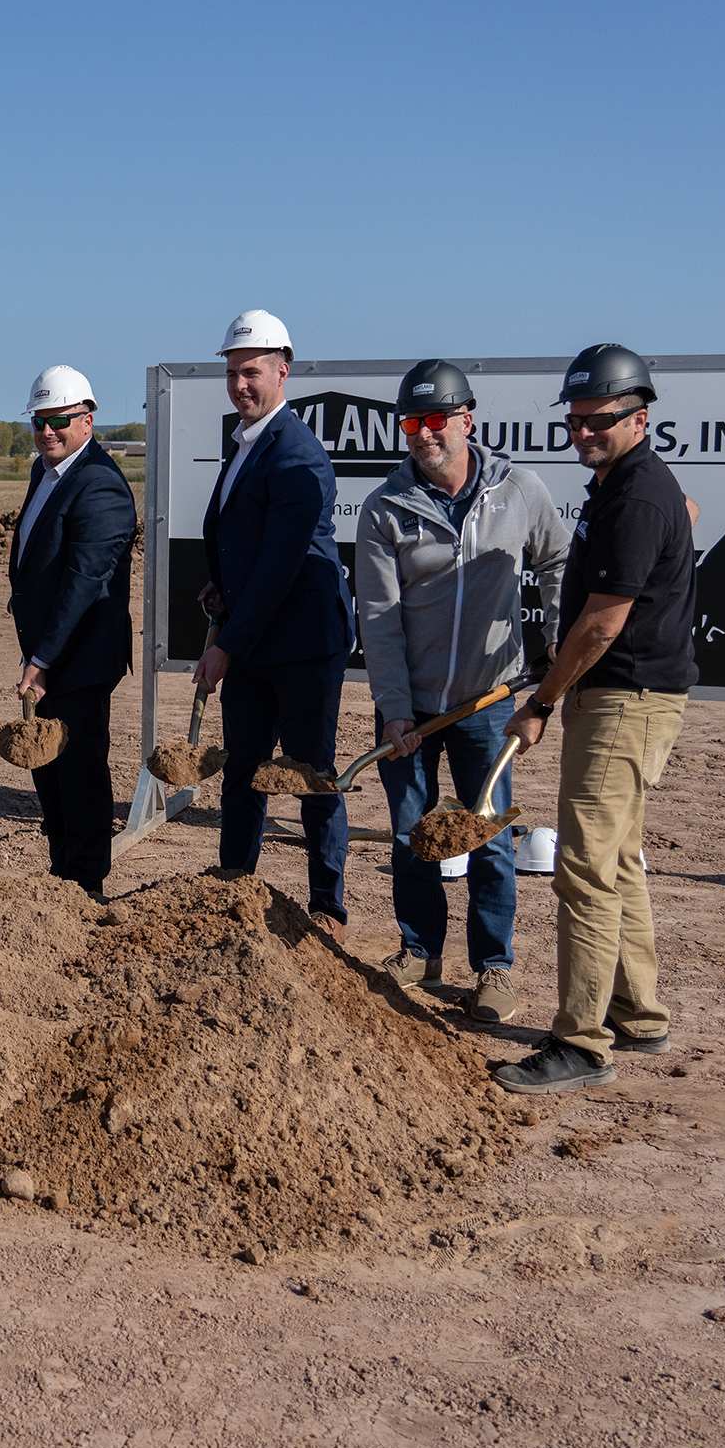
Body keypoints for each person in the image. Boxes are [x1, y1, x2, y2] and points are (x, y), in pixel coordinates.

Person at [494, 343, 699, 1095]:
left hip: (623, 697)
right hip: (629, 696)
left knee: (581, 868)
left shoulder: (638, 495)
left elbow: (601, 625)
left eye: (600, 420)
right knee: (617, 861)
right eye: (575, 420)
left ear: (640, 418)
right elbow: (675, 523)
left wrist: (543, 702)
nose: (583, 432)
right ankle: (639, 1014)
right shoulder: (632, 486)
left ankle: (581, 1043)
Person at [355, 359, 569, 1022]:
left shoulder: (519, 490)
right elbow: (381, 623)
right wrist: (392, 713)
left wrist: (554, 647)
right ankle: (420, 952)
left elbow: (557, 559)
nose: (424, 435)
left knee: (488, 842)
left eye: (437, 420)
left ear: (467, 420)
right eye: (412, 423)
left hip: (487, 704)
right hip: (413, 709)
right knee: (414, 835)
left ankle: (494, 970)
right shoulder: (385, 508)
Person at [193, 310, 354, 935]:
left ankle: (327, 904)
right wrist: (223, 587)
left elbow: (283, 565)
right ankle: (234, 885)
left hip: (303, 642)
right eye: (233, 373)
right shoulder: (248, 441)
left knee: (311, 772)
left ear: (282, 371)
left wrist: (227, 646)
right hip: (258, 633)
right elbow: (249, 547)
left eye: (252, 372)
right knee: (244, 768)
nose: (240, 385)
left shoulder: (297, 455)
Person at [6, 366, 137, 899]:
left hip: (80, 658)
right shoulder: (48, 472)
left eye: (59, 421)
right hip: (50, 654)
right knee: (50, 771)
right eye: (39, 422)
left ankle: (86, 885)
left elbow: (83, 584)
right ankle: (62, 877)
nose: (47, 432)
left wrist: (41, 659)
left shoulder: (100, 484)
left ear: (87, 419)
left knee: (79, 774)